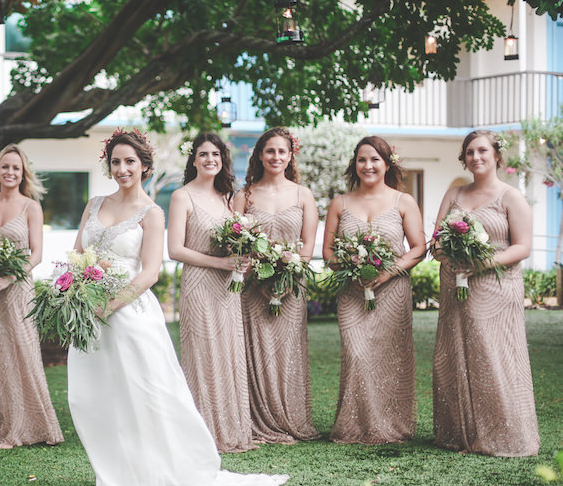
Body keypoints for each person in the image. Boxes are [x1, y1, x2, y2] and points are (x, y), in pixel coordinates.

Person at [68, 129, 289, 486]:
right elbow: (77, 255)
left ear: (145, 166)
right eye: (117, 162)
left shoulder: (151, 213)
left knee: (142, 395)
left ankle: (132, 481)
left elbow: (149, 273)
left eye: (130, 162)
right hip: (87, 313)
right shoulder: (93, 205)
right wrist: (76, 294)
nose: (123, 168)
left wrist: (107, 307)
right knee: (93, 397)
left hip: (129, 316)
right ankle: (112, 473)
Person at [431, 130, 540, 456]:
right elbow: (435, 240)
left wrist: (482, 264)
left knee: (492, 356)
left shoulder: (511, 197)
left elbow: (522, 247)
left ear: (496, 155)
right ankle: (459, 433)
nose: (475, 157)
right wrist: (447, 256)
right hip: (455, 283)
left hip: (494, 285)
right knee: (453, 354)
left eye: (482, 151)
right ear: (463, 158)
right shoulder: (454, 193)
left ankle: (503, 435)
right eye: (469, 152)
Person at [322, 136, 425, 445]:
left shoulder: (403, 201)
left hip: (392, 291)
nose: (368, 165)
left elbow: (419, 248)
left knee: (390, 357)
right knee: (356, 354)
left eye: (374, 160)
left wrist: (388, 272)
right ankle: (355, 426)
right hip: (352, 292)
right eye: (362, 160)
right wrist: (348, 268)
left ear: (387, 163)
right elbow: (328, 252)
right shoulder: (340, 203)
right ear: (354, 164)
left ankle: (390, 426)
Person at [167, 133, 255, 453]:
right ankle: (202, 434)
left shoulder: (227, 198)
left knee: (228, 353)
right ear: (194, 160)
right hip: (198, 285)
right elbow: (175, 250)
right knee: (202, 356)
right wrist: (219, 262)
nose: (210, 160)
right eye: (203, 154)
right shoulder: (181, 197)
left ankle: (232, 429)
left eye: (215, 154)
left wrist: (240, 260)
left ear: (223, 160)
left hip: (227, 289)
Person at [233, 128, 320, 444]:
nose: (276, 157)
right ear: (259, 155)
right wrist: (256, 264)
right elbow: (234, 243)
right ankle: (256, 418)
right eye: (270, 151)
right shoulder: (244, 196)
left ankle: (288, 417)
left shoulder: (302, 195)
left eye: (282, 152)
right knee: (255, 350)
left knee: (287, 351)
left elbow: (309, 246)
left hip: (289, 286)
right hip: (252, 287)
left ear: (290, 156)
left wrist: (290, 265)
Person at [0, 144, 63, 449]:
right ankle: (1, 425)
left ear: (23, 173)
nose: (10, 172)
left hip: (17, 288)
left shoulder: (30, 207)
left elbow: (36, 255)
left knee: (21, 352)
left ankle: (30, 427)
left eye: (16, 168)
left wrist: (7, 278)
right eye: (5, 167)